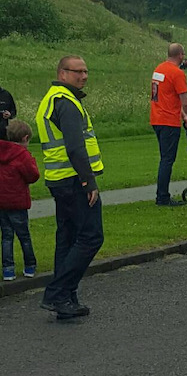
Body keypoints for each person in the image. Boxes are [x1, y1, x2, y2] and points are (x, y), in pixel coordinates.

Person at [36, 55, 104, 320]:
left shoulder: (52, 99)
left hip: (59, 179)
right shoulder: (65, 103)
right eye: (77, 72)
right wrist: (88, 181)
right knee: (91, 236)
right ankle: (58, 293)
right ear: (62, 73)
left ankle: (66, 298)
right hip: (74, 180)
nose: (84, 76)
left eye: (86, 71)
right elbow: (75, 147)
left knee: (67, 238)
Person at [150, 43, 187, 207]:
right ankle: (162, 197)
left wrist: (183, 115)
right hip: (169, 121)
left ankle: (161, 194)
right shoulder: (177, 73)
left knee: (164, 158)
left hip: (156, 118)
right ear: (181, 55)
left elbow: (166, 97)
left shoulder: (159, 69)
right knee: (167, 160)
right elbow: (185, 102)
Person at [0, 120, 39, 281]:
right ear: (25, 138)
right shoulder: (22, 155)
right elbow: (33, 176)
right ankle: (29, 266)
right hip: (18, 202)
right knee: (24, 236)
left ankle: (8, 269)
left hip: (2, 202)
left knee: (6, 237)